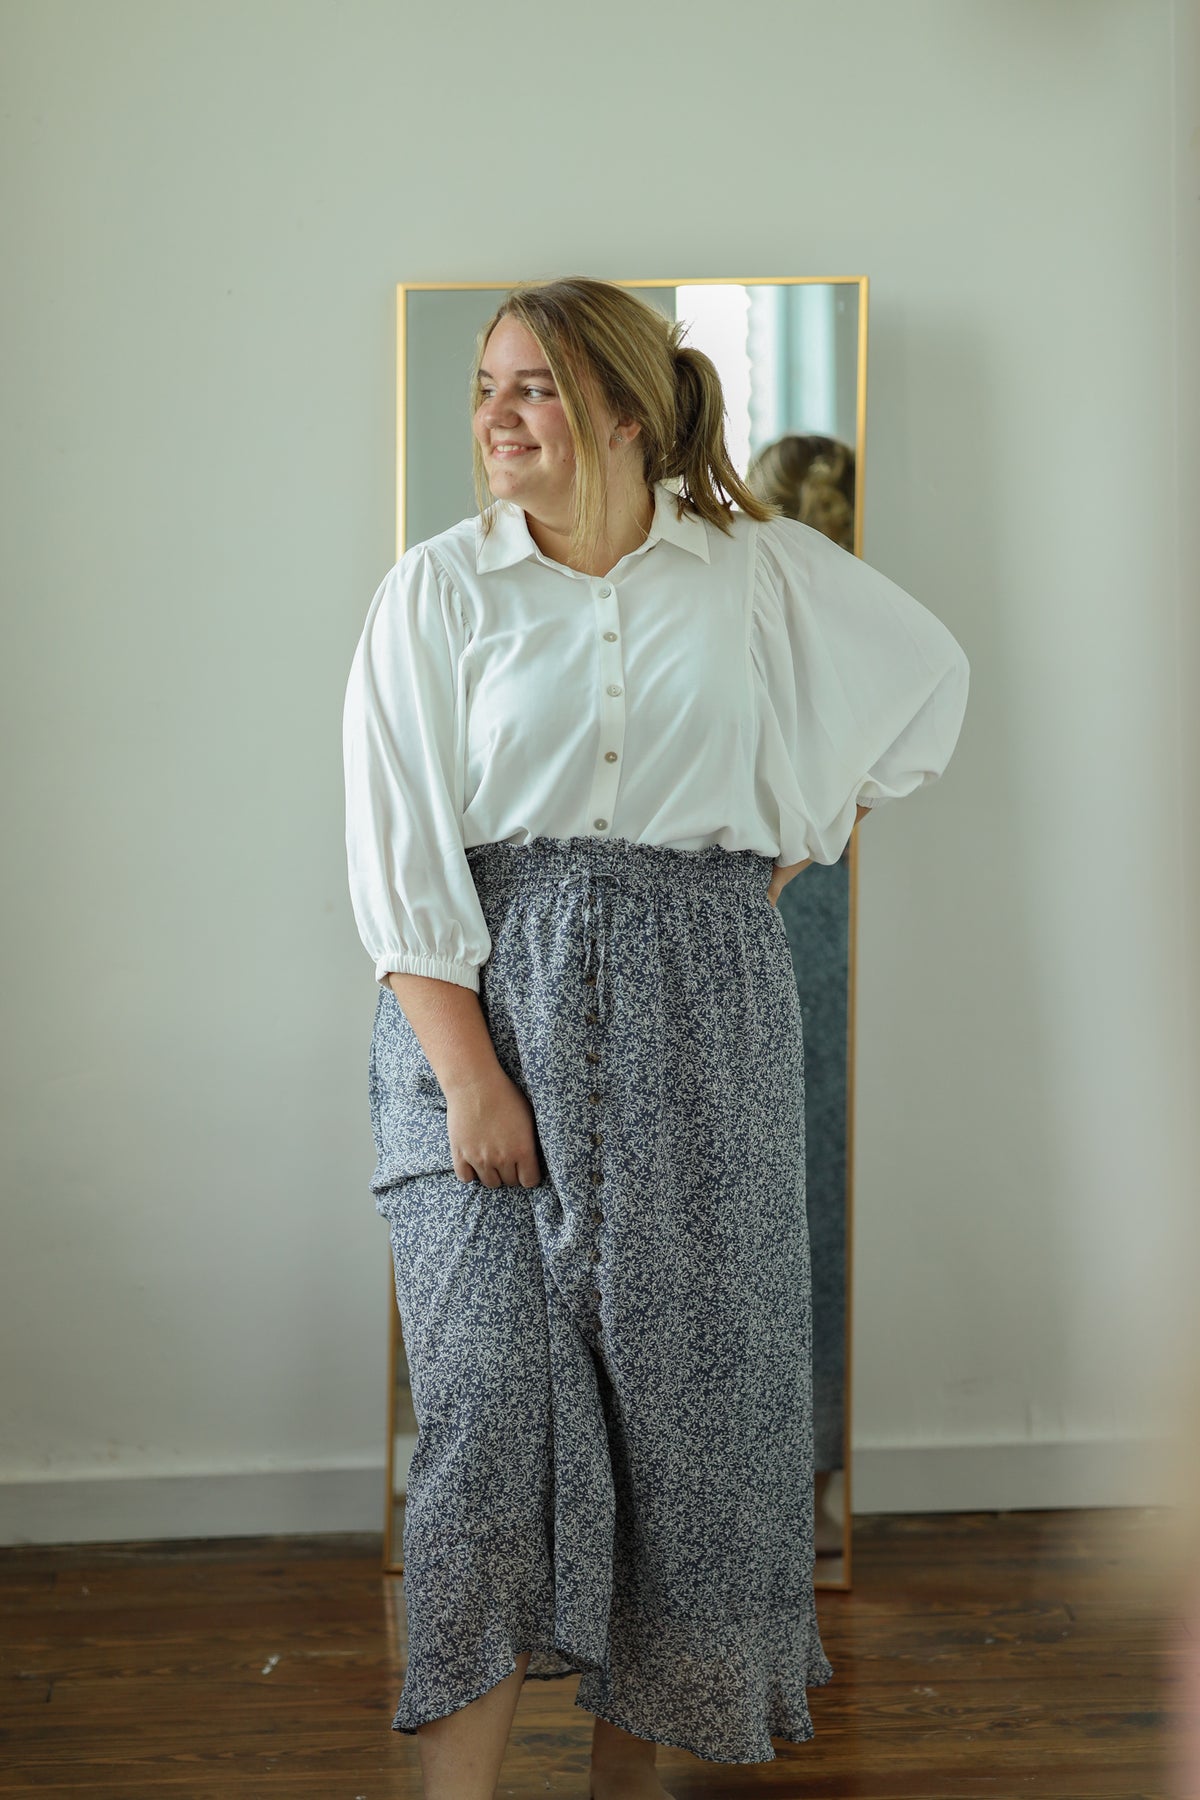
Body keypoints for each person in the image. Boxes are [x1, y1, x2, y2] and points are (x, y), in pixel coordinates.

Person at [342, 275, 970, 1800]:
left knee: (697, 1451)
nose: (496, 416)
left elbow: (924, 689)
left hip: (706, 1039)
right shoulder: (438, 592)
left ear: (625, 411)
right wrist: (471, 1081)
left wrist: (765, 858)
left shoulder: (754, 574)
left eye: (534, 388)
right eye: (486, 386)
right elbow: (397, 863)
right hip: (485, 1033)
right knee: (490, 1432)